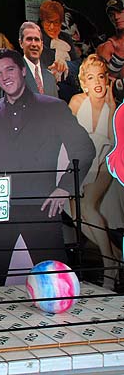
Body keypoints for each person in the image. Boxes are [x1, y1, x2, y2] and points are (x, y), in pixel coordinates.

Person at [0, 48, 95, 287]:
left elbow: (84, 148)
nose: (5, 77)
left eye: (9, 69)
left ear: (23, 70)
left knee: (57, 284)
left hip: (42, 207)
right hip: (1, 209)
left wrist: (64, 188)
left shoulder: (53, 108)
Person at [68, 54, 121, 288]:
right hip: (81, 161)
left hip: (105, 162)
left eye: (101, 76)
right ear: (84, 83)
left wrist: (112, 106)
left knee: (88, 206)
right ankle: (115, 255)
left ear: (107, 79)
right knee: (75, 214)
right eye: (91, 78)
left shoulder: (113, 106)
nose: (97, 82)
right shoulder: (77, 102)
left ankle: (109, 266)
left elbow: (112, 141)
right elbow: (65, 134)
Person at [38, 0, 81, 103]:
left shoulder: (66, 38)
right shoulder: (36, 40)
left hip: (69, 94)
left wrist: (65, 65)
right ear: (42, 22)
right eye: (48, 22)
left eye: (56, 22)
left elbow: (77, 65)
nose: (52, 27)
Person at [19, 21, 59, 97]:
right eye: (29, 39)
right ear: (21, 43)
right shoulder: (13, 75)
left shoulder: (50, 78)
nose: (34, 44)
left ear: (42, 44)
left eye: (37, 40)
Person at [97, 0, 124, 105]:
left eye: (120, 12)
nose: (116, 17)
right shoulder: (107, 47)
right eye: (112, 15)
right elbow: (105, 82)